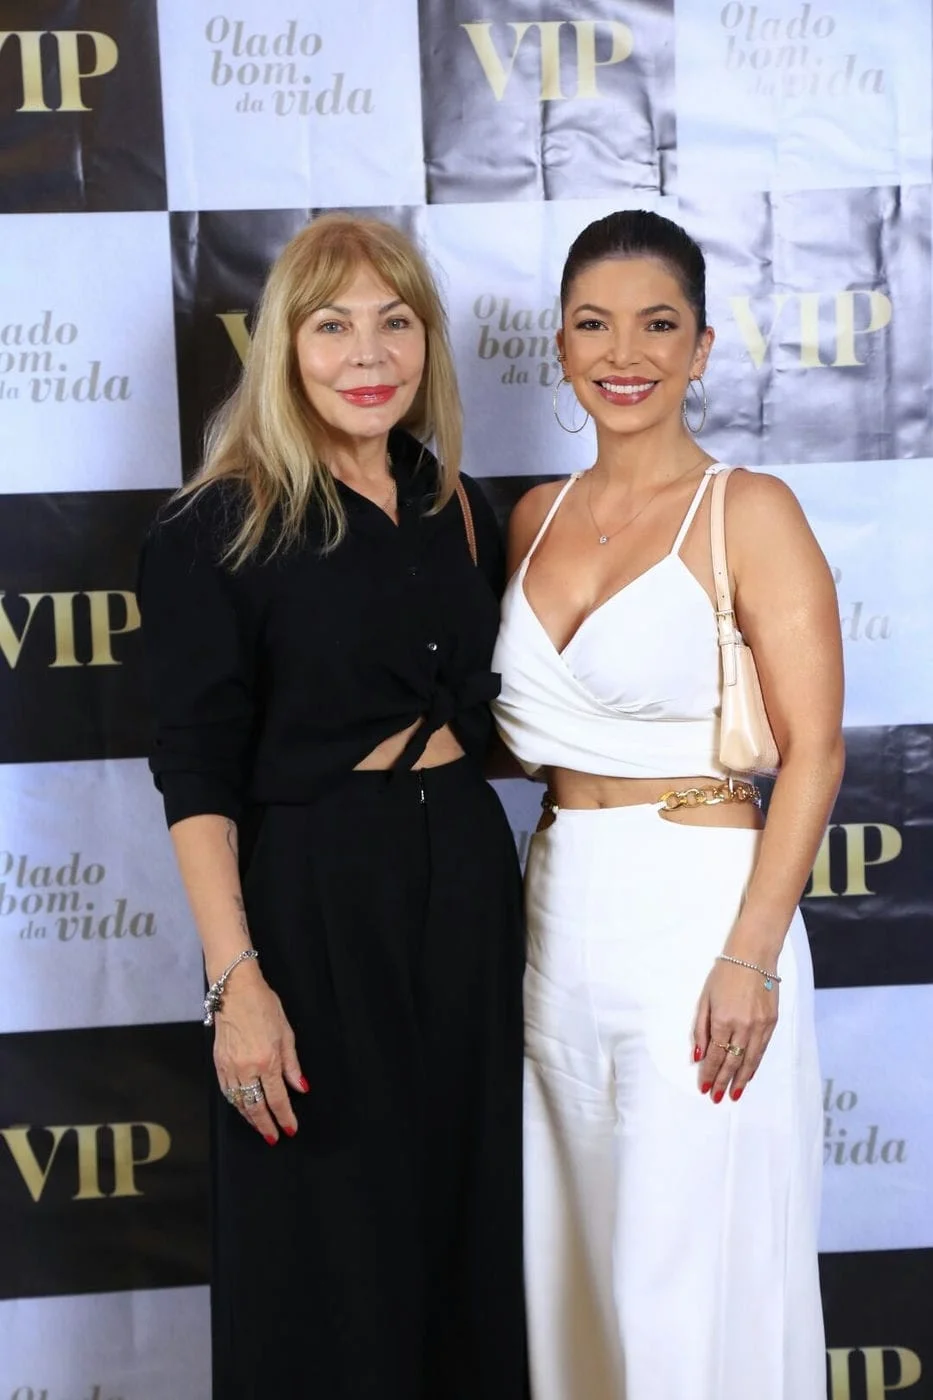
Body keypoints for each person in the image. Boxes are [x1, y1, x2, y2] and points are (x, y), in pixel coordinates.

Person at [138, 214, 527, 1400]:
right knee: (326, 1244)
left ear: (429, 341)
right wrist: (236, 981)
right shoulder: (217, 523)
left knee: (467, 1225)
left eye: (396, 321)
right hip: (316, 903)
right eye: (332, 324)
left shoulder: (460, 505)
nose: (369, 353)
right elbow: (195, 770)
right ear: (284, 347)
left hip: (469, 884)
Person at [492, 210, 843, 1400]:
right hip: (558, 909)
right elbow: (514, 732)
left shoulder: (751, 508)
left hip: (698, 914)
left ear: (701, 348)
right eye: (594, 324)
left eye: (658, 324)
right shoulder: (532, 517)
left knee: (691, 1275)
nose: (624, 352)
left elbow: (815, 753)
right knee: (579, 1264)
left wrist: (751, 954)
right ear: (560, 345)